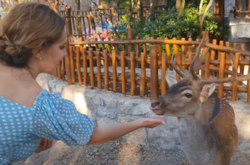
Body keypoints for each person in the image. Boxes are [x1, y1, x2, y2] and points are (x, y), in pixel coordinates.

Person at [0, 3, 164, 165]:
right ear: (38, 50)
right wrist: (141, 122)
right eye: (62, 47)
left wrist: (25, 139)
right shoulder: (41, 107)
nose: (65, 54)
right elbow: (95, 136)